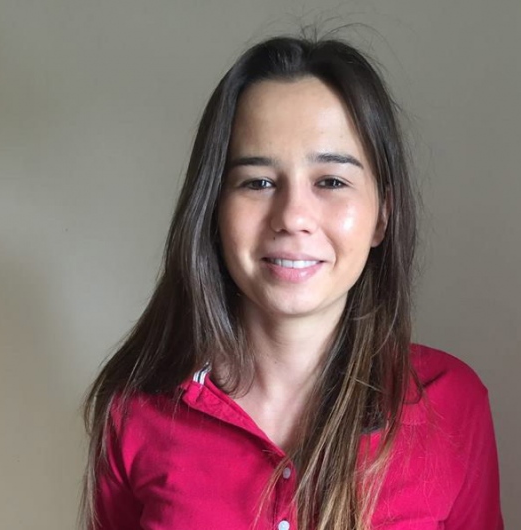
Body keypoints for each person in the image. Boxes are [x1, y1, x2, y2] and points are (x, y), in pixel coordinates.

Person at [80, 35, 503, 530]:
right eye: (258, 182)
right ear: (214, 208)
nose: (292, 217)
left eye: (331, 181)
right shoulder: (134, 406)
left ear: (383, 215)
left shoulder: (451, 403)